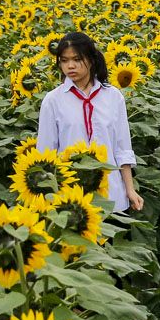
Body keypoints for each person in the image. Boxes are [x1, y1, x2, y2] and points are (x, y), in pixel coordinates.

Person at [37, 32, 143, 212]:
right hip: (70, 197)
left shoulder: (113, 97)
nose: (70, 66)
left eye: (77, 59)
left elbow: (122, 148)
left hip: (112, 194)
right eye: (64, 60)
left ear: (91, 59)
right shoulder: (53, 100)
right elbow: (46, 153)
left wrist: (130, 189)